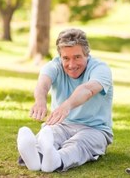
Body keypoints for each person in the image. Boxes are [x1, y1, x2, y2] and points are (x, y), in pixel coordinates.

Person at [16, 28, 113, 172]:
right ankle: (36, 157)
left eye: (77, 57)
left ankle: (55, 160)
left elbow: (87, 90)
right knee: (50, 134)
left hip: (95, 129)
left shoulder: (100, 69)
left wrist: (67, 105)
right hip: (61, 124)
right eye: (66, 58)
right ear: (60, 56)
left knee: (78, 144)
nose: (71, 65)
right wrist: (40, 100)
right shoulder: (54, 65)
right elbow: (43, 83)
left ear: (87, 54)